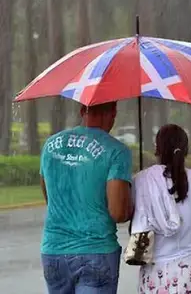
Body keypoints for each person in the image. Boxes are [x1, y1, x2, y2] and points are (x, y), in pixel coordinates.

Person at [40, 102, 133, 294]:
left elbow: (50, 197)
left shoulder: (50, 146)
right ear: (114, 112)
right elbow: (118, 213)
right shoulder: (116, 151)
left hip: (53, 251)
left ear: (83, 111)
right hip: (96, 251)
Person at [133, 124, 191, 294]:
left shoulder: (142, 180)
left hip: (154, 272)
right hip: (190, 271)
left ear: (157, 150)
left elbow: (136, 225)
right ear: (185, 149)